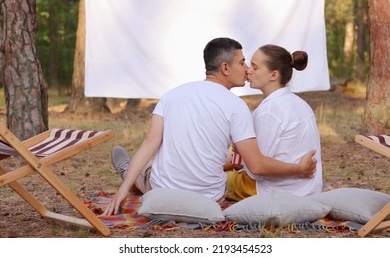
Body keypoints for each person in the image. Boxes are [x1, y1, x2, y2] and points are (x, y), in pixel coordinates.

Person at [102, 38, 316, 216]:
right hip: (212, 196)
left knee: (151, 164)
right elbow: (254, 164)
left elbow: (151, 142)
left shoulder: (171, 95)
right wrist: (298, 169)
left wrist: (121, 191)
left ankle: (131, 177)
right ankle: (135, 173)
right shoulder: (237, 107)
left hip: (161, 188)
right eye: (242, 63)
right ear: (225, 68)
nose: (247, 69)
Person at [225, 44, 323, 201]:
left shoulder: (270, 111)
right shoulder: (301, 104)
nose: (248, 70)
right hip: (307, 189)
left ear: (273, 75)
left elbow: (256, 168)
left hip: (273, 191)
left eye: (255, 67)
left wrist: (240, 154)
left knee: (217, 180)